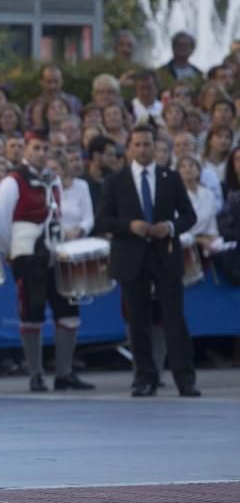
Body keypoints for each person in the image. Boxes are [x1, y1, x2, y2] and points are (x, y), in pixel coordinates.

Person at [95, 124, 200, 397]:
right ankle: (144, 377)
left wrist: (171, 227)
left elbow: (189, 216)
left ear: (156, 146)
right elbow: (103, 220)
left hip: (165, 255)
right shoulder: (115, 181)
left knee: (174, 318)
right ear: (129, 147)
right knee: (137, 320)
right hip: (132, 257)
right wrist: (130, 226)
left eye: (147, 144)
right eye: (137, 144)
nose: (142, 149)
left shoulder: (171, 177)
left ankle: (184, 378)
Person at [0, 130, 94, 392]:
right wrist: (13, 252)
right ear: (26, 149)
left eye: (45, 148)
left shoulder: (54, 180)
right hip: (27, 255)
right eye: (36, 148)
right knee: (31, 312)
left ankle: (64, 373)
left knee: (68, 312)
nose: (41, 153)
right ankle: (36, 374)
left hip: (55, 253)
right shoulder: (12, 182)